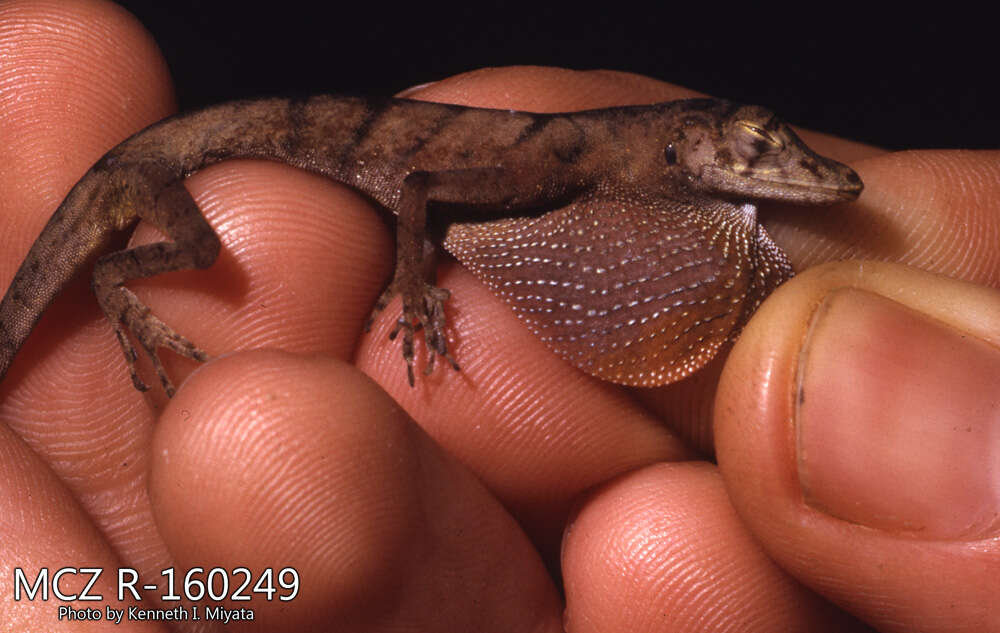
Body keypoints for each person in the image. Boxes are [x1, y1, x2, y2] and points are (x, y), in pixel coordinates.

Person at [1, 1, 997, 631]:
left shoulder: (585, 159)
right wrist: (414, 282)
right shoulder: (551, 153)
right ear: (685, 144)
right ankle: (114, 286)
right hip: (158, 166)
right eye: (754, 145)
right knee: (209, 256)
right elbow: (425, 182)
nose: (773, 163)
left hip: (191, 152)